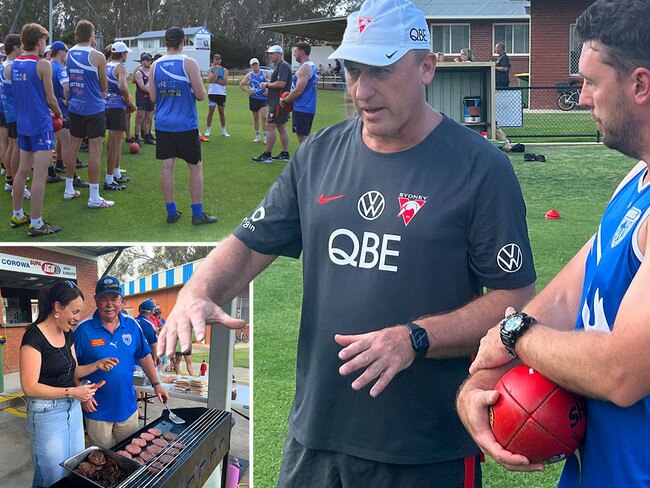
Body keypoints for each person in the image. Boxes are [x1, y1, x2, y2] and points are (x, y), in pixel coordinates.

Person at [158, 0, 536, 485]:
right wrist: (198, 289)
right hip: (315, 437)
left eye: (379, 69)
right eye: (354, 70)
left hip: (424, 448)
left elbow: (514, 298)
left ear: (426, 67)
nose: (362, 89)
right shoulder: (319, 153)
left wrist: (415, 339)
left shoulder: (480, 168)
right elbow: (252, 243)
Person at [457, 1, 650, 487]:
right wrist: (481, 377)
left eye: (591, 81)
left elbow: (621, 373)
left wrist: (516, 334)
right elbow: (566, 295)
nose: (582, 97)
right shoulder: (637, 180)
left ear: (640, 85)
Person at [20, 280, 117, 487]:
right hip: (46, 413)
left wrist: (97, 364)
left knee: (75, 467)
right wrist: (73, 391)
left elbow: (73, 370)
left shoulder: (68, 335)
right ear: (57, 307)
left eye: (80, 312)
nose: (78, 318)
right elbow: (29, 387)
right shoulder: (33, 337)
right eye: (74, 311)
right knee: (52, 476)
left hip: (72, 410)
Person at [74, 276, 169, 448]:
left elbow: (144, 356)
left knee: (130, 456)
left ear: (121, 301)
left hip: (128, 408)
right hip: (96, 411)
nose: (109, 304)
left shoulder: (132, 325)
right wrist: (81, 396)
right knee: (102, 463)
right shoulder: (83, 330)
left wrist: (157, 384)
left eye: (114, 298)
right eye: (104, 299)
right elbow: (71, 368)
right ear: (96, 300)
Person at [149, 26, 217, 226]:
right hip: (185, 124)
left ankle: (172, 212)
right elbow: (201, 95)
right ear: (183, 42)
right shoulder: (189, 63)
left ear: (166, 42)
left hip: (163, 124)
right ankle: (197, 214)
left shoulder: (155, 65)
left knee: (167, 167)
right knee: (195, 167)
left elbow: (153, 97)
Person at [11, 23, 62, 236]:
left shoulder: (13, 64)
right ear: (39, 41)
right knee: (40, 173)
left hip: (23, 124)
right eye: (44, 40)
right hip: (40, 125)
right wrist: (60, 113)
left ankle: (17, 214)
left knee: (23, 170)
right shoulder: (43, 65)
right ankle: (37, 223)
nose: (45, 44)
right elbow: (51, 99)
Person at [66, 19, 114, 209]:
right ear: (92, 35)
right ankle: (94, 197)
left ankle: (69, 188)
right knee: (95, 151)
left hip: (75, 107)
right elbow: (104, 85)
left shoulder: (69, 53)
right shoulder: (98, 56)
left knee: (73, 147)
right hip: (94, 108)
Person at [49, 40, 89, 195]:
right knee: (68, 144)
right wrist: (67, 99)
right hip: (60, 112)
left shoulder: (46, 65)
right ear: (60, 52)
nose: (66, 55)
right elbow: (66, 86)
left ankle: (59, 165)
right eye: (65, 52)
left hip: (48, 111)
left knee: (59, 141)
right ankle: (72, 177)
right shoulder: (60, 69)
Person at [1, 34, 29, 213]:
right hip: (15, 112)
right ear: (16, 48)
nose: (23, 50)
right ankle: (16, 184)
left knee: (11, 147)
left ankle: (10, 181)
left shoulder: (3, 65)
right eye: (21, 47)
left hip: (8, 111)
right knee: (16, 148)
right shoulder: (12, 67)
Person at [104, 41, 136, 192]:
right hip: (117, 107)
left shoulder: (106, 65)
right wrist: (129, 102)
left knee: (115, 142)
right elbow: (123, 87)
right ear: (123, 54)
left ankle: (116, 173)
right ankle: (109, 179)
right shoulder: (121, 67)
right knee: (115, 145)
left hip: (106, 106)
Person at [251, 45, 292, 163]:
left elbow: (281, 83)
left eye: (272, 53)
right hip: (280, 101)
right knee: (281, 126)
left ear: (279, 54)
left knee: (270, 126)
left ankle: (267, 155)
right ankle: (285, 153)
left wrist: (266, 85)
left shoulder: (283, 66)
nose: (270, 55)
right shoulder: (280, 66)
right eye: (269, 53)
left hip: (278, 102)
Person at [280, 42, 318, 143]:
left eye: (296, 51)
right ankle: (307, 157)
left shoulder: (305, 68)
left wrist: (285, 101)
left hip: (303, 107)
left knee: (302, 138)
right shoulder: (311, 66)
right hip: (307, 107)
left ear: (301, 52)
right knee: (304, 136)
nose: (294, 54)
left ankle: (308, 158)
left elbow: (298, 91)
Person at [134, 299, 159, 419]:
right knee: (138, 386)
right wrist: (154, 360)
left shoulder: (132, 322)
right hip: (142, 360)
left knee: (136, 386)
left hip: (130, 360)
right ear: (151, 312)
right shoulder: (149, 325)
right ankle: (138, 411)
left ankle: (141, 402)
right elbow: (154, 346)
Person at [239, 57, 270, 143]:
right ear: (251, 66)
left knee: (264, 117)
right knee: (256, 117)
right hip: (253, 99)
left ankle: (265, 137)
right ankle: (257, 136)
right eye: (253, 65)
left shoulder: (265, 73)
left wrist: (268, 90)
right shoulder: (249, 75)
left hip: (263, 98)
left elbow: (274, 82)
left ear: (259, 64)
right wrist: (248, 91)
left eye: (256, 64)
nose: (255, 66)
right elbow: (241, 84)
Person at [204, 53, 230, 139]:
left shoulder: (225, 70)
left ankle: (224, 130)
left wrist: (215, 80)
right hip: (212, 93)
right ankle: (208, 130)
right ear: (213, 60)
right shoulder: (210, 69)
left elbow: (225, 82)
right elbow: (211, 80)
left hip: (222, 94)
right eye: (216, 59)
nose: (217, 61)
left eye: (219, 59)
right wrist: (217, 72)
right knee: (210, 112)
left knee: (221, 112)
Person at [133, 52, 155, 145]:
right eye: (148, 60)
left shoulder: (151, 71)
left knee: (149, 118)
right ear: (142, 62)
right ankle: (137, 137)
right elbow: (141, 86)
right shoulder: (139, 72)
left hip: (150, 98)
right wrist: (152, 92)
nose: (150, 62)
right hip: (142, 98)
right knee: (140, 118)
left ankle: (147, 136)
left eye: (150, 60)